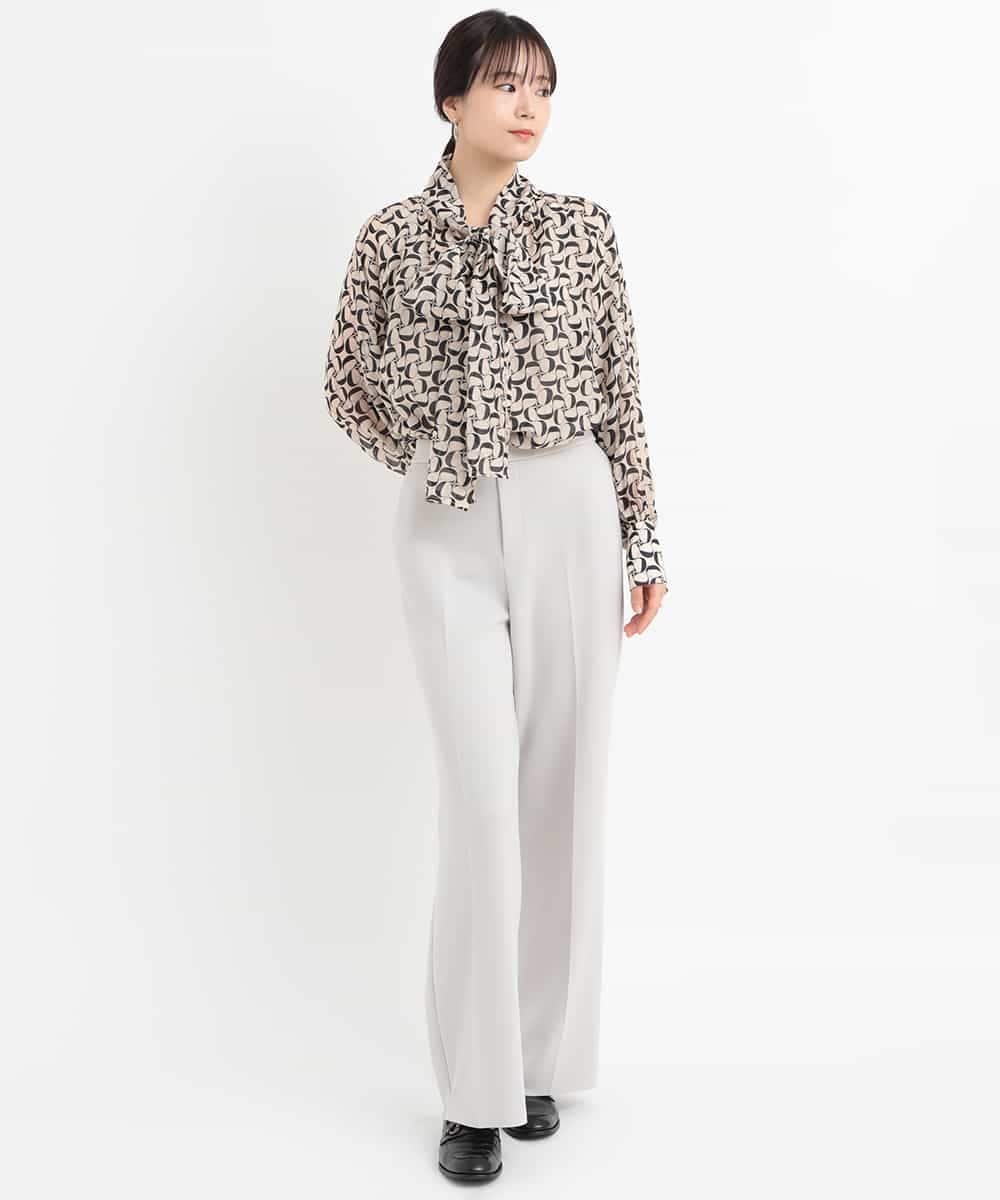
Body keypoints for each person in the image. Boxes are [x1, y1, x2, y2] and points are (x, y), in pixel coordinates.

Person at [323, 9, 668, 1184]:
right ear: (451, 99)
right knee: (481, 805)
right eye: (505, 84)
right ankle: (471, 1094)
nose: (528, 106)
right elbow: (346, 382)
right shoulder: (391, 236)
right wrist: (429, 456)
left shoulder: (582, 229)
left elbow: (620, 391)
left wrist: (641, 536)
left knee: (562, 793)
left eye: (543, 87)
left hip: (572, 504)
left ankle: (536, 1062)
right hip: (447, 526)